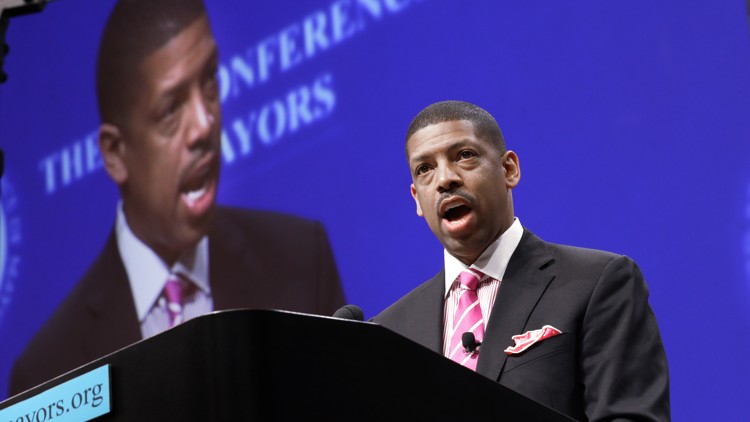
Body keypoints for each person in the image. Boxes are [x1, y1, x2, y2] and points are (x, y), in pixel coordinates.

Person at [9, 0, 345, 395]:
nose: (204, 125)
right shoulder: (48, 368)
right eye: (171, 110)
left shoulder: (302, 261)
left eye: (210, 81)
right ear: (116, 154)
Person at [372, 100, 669, 421]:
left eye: (464, 156)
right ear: (417, 198)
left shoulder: (598, 282)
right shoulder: (388, 334)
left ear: (509, 169)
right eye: (425, 169)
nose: (445, 179)